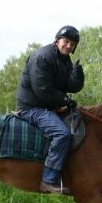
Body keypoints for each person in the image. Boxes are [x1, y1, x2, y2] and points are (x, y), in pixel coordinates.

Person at [16, 25, 85, 194]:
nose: (68, 46)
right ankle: (48, 180)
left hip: (47, 106)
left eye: (72, 44)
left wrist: (78, 77)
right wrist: (65, 101)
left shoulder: (65, 60)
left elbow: (69, 86)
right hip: (32, 108)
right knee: (62, 134)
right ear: (57, 40)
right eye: (66, 41)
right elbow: (42, 90)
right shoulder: (42, 56)